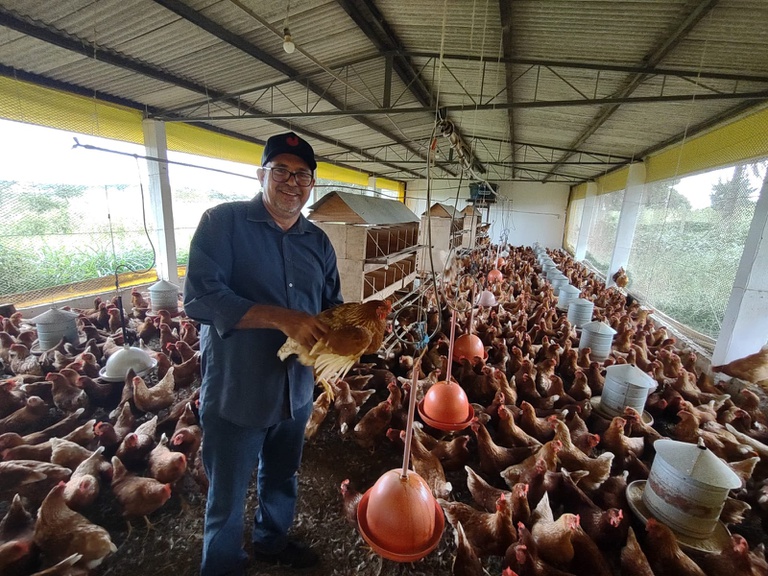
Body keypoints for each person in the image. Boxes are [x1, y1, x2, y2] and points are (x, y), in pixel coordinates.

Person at [183, 131, 343, 575]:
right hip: (240, 388)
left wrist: (354, 336)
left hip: (296, 389)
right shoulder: (223, 223)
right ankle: (223, 565)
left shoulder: (319, 242)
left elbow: (330, 308)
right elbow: (200, 297)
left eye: (303, 175)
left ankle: (272, 541)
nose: (293, 182)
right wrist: (281, 317)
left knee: (282, 475)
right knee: (228, 492)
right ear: (262, 175)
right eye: (282, 171)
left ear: (312, 184)